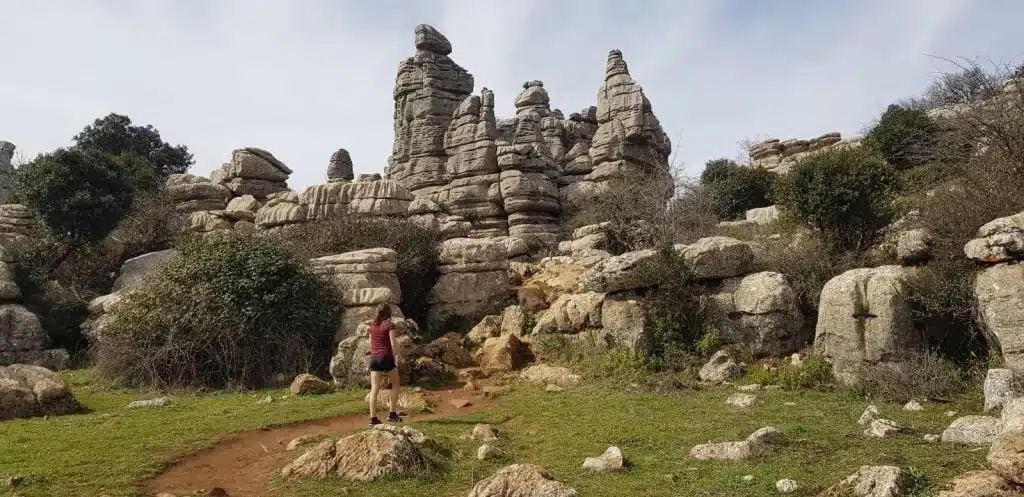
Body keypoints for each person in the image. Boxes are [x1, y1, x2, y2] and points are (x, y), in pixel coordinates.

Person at [367, 303, 402, 426]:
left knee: (374, 388)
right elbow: (392, 342)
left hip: (374, 358)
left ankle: (373, 419)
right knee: (396, 384)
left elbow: (371, 343)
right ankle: (392, 414)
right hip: (386, 357)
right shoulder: (390, 325)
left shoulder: (372, 326)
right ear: (389, 313)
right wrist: (396, 353)